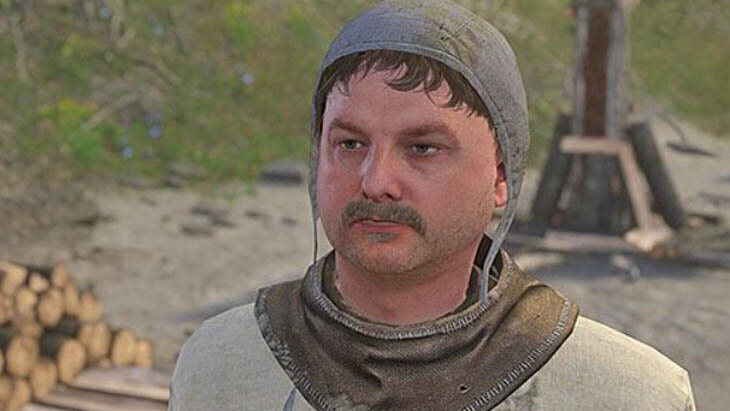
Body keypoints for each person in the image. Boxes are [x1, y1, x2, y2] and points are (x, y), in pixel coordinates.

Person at [169, 1, 696, 410]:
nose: (376, 182)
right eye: (349, 144)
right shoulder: (217, 368)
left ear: (500, 176)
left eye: (422, 148)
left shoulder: (629, 395)